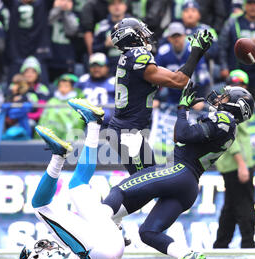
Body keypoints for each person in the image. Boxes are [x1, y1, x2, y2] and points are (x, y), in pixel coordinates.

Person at [70, 90, 253, 259]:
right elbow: (179, 136)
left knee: (119, 191)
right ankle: (187, 256)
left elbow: (183, 133)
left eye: (225, 98)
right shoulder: (229, 127)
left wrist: (182, 109)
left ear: (236, 105)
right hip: (188, 185)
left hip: (177, 171)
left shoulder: (224, 118)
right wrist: (185, 111)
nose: (219, 99)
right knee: (148, 232)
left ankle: (103, 227)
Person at [0, 107, 125, 259]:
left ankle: (93, 124)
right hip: (97, 256)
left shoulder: (63, 253)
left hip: (108, 250)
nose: (47, 246)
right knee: (40, 207)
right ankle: (58, 157)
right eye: (41, 246)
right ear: (32, 258)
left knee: (78, 184)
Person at [107, 17, 213, 175]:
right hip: (127, 132)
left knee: (149, 179)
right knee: (144, 183)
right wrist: (196, 51)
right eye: (139, 32)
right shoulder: (138, 56)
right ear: (131, 36)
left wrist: (197, 53)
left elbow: (176, 76)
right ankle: (112, 200)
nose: (145, 35)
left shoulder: (131, 56)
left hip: (129, 129)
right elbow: (179, 81)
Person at [213, 69, 255, 249]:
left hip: (232, 165)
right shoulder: (232, 108)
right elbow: (233, 139)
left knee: (230, 206)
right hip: (237, 165)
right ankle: (248, 243)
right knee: (245, 205)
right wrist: (242, 165)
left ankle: (221, 244)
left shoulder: (227, 105)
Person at [218, 0, 255, 103]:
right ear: (244, 5)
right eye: (249, 3)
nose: (252, 7)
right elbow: (222, 46)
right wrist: (223, 67)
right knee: (234, 105)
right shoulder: (233, 22)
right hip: (237, 73)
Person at [155, 22, 210, 104]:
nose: (176, 39)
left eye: (179, 36)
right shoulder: (163, 52)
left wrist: (200, 99)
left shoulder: (194, 50)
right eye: (174, 36)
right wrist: (156, 98)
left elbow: (203, 77)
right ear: (169, 38)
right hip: (171, 96)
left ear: (184, 36)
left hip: (192, 96)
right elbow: (155, 76)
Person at [2, 0, 54, 84]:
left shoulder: (43, 4)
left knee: (42, 91)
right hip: (16, 54)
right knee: (12, 90)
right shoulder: (12, 3)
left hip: (39, 53)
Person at [36, 73, 85, 141]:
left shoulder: (77, 103)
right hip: (48, 140)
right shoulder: (51, 101)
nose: (62, 89)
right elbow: (43, 120)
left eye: (66, 86)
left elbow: (78, 122)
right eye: (60, 86)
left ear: (72, 88)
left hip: (68, 140)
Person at [75, 52, 115, 128]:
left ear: (107, 67)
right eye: (93, 66)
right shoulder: (83, 80)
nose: (96, 69)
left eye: (100, 65)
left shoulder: (114, 82)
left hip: (109, 124)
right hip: (86, 124)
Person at [92, 0, 129, 75]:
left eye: (120, 3)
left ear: (125, 6)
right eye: (113, 4)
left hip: (130, 65)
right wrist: (105, 45)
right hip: (108, 68)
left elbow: (146, 46)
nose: (116, 6)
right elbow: (94, 49)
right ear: (108, 7)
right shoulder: (101, 25)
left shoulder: (134, 23)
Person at [48, 0, 79, 82]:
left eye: (68, 1)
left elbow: (72, 31)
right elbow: (48, 22)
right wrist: (58, 9)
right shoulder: (50, 12)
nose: (64, 3)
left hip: (68, 58)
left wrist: (65, 13)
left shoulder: (75, 15)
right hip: (52, 56)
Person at [20, 56, 51, 128]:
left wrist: (25, 117)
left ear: (38, 74)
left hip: (36, 122)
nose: (29, 75)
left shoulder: (42, 89)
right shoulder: (15, 87)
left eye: (33, 72)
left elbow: (41, 112)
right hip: (16, 120)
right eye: (27, 71)